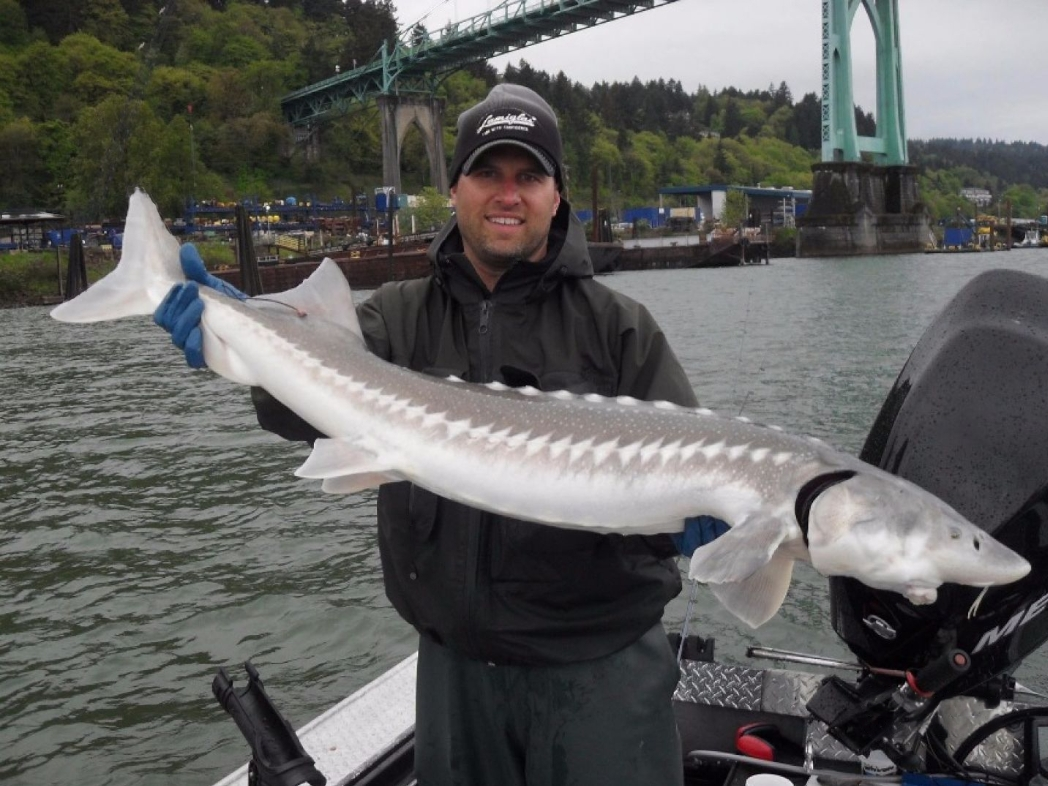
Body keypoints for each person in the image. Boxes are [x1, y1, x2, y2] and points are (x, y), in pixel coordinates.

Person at [155, 83, 727, 786]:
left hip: (600, 666)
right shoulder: (394, 318)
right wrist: (245, 349)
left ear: (557, 195)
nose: (507, 194)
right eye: (488, 173)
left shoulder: (620, 328)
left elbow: (694, 484)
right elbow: (305, 411)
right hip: (455, 669)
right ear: (453, 187)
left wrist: (699, 522)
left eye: (529, 176)